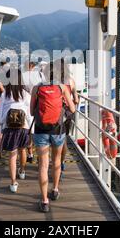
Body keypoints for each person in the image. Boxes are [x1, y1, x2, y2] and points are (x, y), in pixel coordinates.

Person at [30, 61, 76, 213]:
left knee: (43, 165)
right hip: (58, 129)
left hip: (40, 129)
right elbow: (73, 108)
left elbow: (31, 112)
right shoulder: (62, 88)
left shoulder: (37, 88)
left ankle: (44, 201)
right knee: (56, 161)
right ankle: (55, 189)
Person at [0, 69, 32, 193]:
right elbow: (29, 115)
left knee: (12, 155)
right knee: (22, 150)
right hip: (23, 127)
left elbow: (1, 114)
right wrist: (30, 129)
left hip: (9, 127)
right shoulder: (25, 94)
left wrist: (1, 127)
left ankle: (13, 183)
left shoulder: (4, 94)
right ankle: (22, 171)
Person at [22, 61, 45, 163]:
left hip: (27, 104)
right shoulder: (39, 75)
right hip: (39, 104)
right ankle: (41, 155)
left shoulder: (23, 76)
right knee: (38, 131)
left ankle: (30, 154)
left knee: (29, 131)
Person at [59, 60, 80, 175]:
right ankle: (61, 162)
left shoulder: (54, 81)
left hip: (56, 112)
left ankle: (55, 161)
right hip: (67, 113)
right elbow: (76, 100)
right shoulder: (71, 81)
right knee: (64, 139)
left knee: (54, 139)